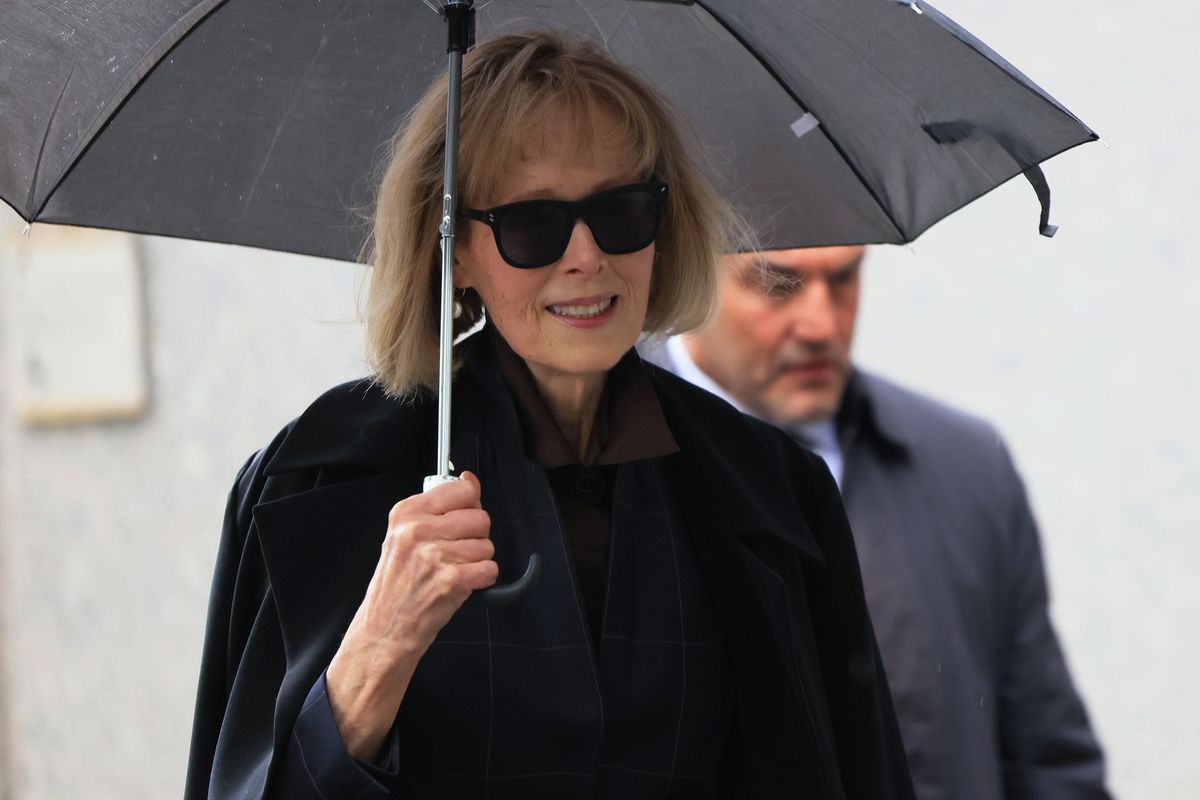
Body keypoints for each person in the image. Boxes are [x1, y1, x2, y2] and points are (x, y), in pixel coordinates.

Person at [184, 32, 914, 800]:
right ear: (455, 250)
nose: (587, 256)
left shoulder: (773, 493)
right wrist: (379, 647)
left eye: (622, 210)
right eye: (533, 223)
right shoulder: (319, 479)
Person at [643, 245, 1110, 799]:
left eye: (843, 279)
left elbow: (1051, 761)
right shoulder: (589, 461)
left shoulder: (964, 466)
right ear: (689, 272)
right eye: (777, 283)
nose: (821, 323)